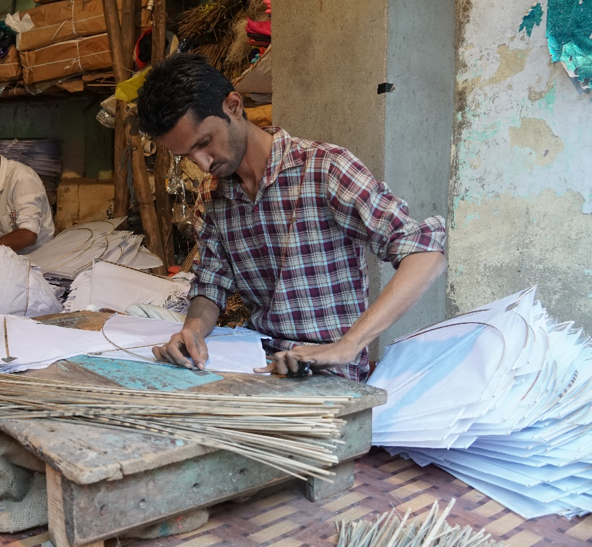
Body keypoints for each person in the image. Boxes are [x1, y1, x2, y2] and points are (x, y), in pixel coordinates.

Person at [138, 54, 447, 381]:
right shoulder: (212, 197)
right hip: (259, 365)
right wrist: (193, 331)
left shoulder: (325, 169)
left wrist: (348, 345)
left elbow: (425, 254)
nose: (202, 163)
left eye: (204, 143)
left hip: (328, 374)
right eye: (187, 155)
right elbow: (211, 283)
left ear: (233, 105)